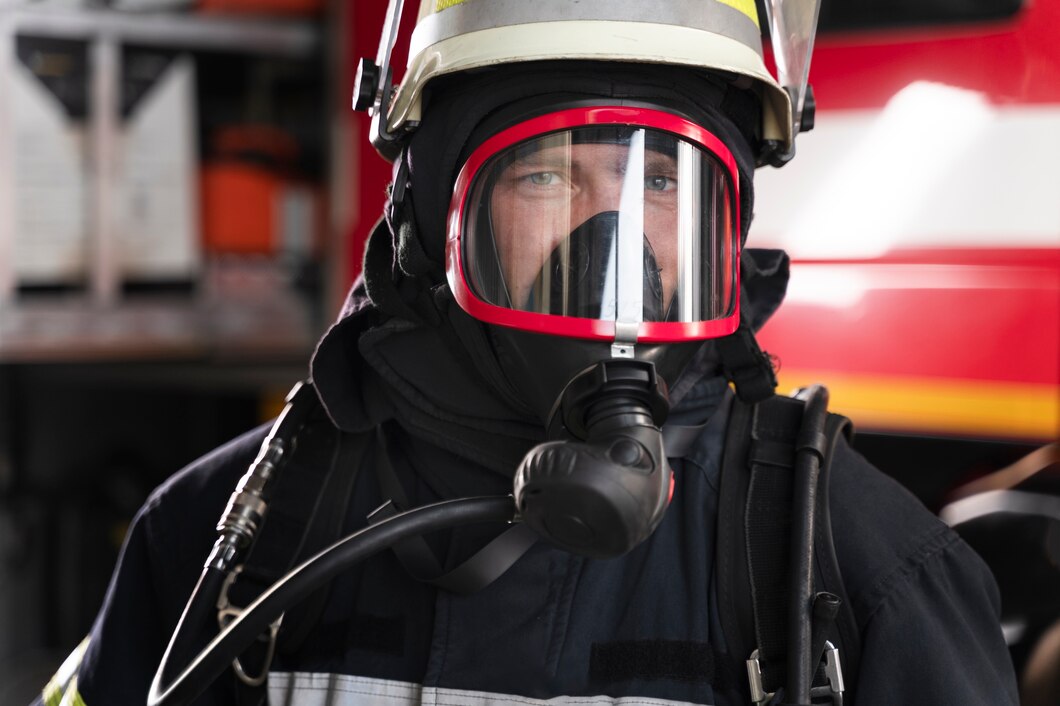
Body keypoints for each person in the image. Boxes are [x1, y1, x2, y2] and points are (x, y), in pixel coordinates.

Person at [36, 1, 1020, 704]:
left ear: (728, 221)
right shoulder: (231, 532)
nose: (612, 235)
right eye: (548, 172)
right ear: (435, 221)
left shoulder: (865, 577)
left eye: (660, 184)